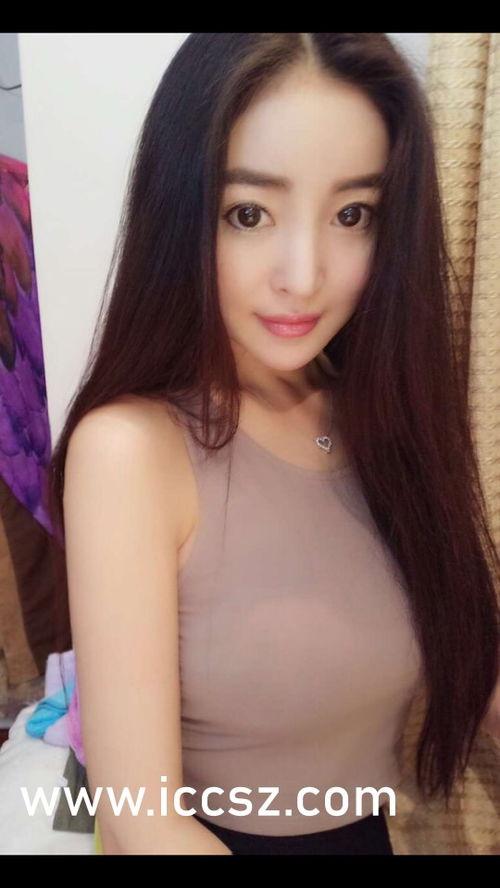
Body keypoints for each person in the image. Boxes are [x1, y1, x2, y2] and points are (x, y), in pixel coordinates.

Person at [49, 34, 500, 855]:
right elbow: (140, 815)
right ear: (182, 212)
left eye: (352, 215)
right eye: (249, 213)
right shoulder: (130, 452)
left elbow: (474, 661)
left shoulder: (380, 410)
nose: (303, 275)